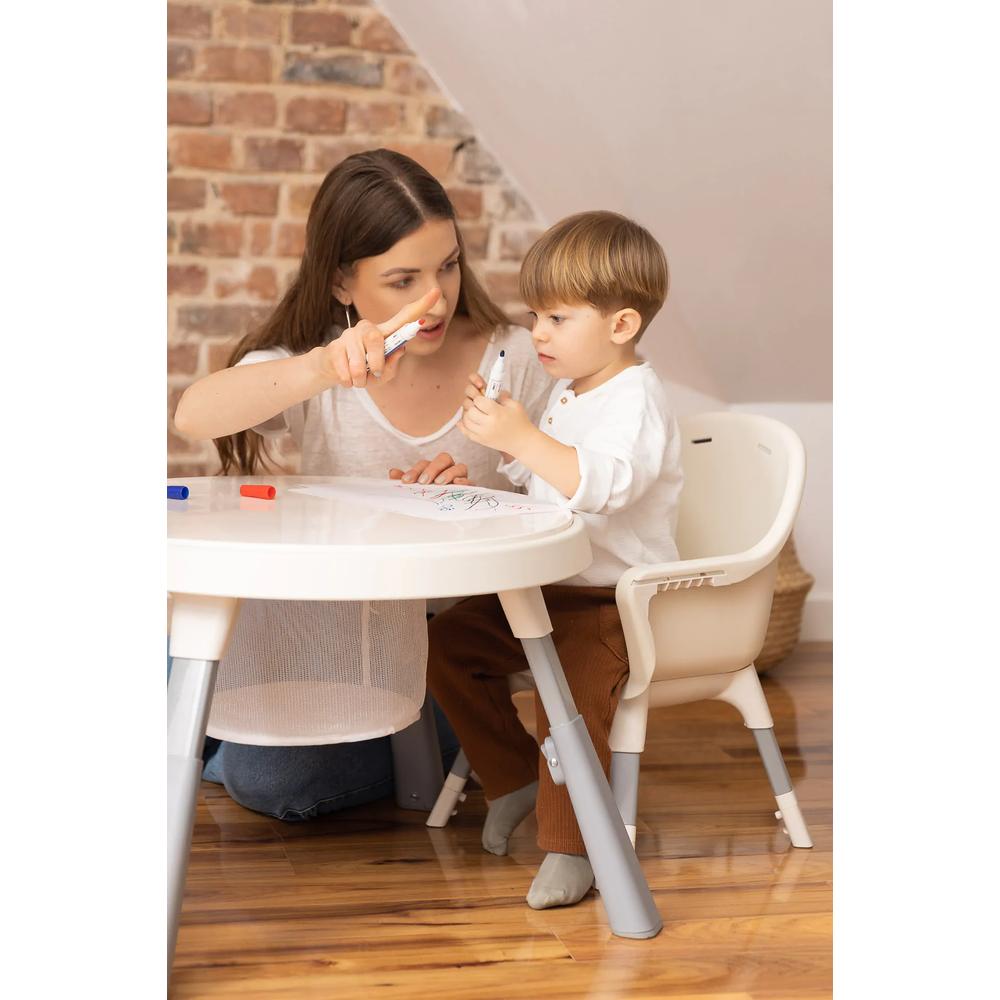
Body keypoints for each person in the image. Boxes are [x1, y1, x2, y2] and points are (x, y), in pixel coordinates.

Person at [173, 149, 553, 820]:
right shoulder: (320, 362)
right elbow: (194, 415)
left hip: (442, 650)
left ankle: (198, 742)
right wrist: (320, 368)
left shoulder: (514, 357)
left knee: (272, 781)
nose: (435, 299)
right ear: (342, 284)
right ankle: (203, 731)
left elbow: (559, 504)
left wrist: (475, 504)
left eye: (447, 267)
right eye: (403, 280)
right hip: (327, 629)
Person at [426, 210, 684, 907]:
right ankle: (513, 779)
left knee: (565, 694)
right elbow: (546, 480)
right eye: (535, 315)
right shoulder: (572, 390)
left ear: (621, 325)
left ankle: (576, 846)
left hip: (609, 603)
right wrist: (502, 448)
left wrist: (522, 437)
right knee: (447, 645)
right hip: (545, 590)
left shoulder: (636, 399)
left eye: (558, 318)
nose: (538, 332)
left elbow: (604, 486)